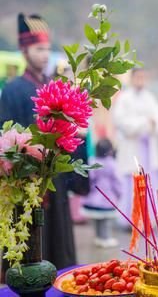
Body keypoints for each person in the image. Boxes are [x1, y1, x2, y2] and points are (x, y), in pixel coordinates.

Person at [0, 14, 88, 271]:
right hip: (26, 182)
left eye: (48, 49)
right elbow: (5, 137)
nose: (44, 54)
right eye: (39, 49)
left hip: (55, 181)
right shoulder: (13, 89)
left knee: (60, 246)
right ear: (24, 50)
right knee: (27, 246)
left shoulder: (54, 86)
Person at [112, 68, 158, 228]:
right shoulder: (124, 98)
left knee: (148, 183)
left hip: (148, 148)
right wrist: (144, 123)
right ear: (132, 78)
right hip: (131, 146)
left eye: (143, 77)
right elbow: (120, 121)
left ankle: (146, 219)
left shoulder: (150, 98)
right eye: (137, 77)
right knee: (130, 184)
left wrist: (148, 124)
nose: (140, 80)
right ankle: (129, 220)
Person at [82, 139, 122, 247]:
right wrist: (119, 193)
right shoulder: (111, 163)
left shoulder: (92, 161)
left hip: (94, 196)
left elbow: (90, 178)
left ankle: (98, 237)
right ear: (110, 150)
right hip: (107, 197)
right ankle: (106, 238)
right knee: (106, 221)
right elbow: (116, 180)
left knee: (97, 220)